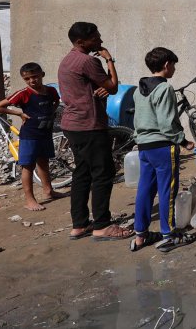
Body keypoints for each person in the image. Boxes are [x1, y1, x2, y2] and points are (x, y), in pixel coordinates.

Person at [59, 21, 131, 240]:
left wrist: (98, 88)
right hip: (89, 125)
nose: (100, 42)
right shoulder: (88, 61)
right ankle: (102, 225)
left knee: (82, 173)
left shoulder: (68, 60)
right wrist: (109, 59)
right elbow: (112, 87)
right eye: (96, 39)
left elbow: (93, 88)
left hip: (73, 125)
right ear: (81, 42)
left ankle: (79, 224)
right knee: (103, 173)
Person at [129, 47, 196, 253]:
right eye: (173, 65)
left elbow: (138, 118)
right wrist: (183, 141)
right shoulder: (165, 89)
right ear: (166, 65)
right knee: (167, 189)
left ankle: (140, 235)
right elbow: (167, 124)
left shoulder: (138, 89)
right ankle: (169, 234)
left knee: (145, 189)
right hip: (162, 146)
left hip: (144, 146)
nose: (174, 68)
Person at [0, 62, 64, 212]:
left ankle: (48, 190)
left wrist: (52, 111)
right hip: (30, 135)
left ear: (42, 75)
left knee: (44, 162)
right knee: (28, 166)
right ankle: (29, 199)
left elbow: (56, 101)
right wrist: (19, 113)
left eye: (35, 77)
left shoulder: (50, 91)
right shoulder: (23, 94)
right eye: (28, 78)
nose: (32, 81)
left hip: (45, 132)